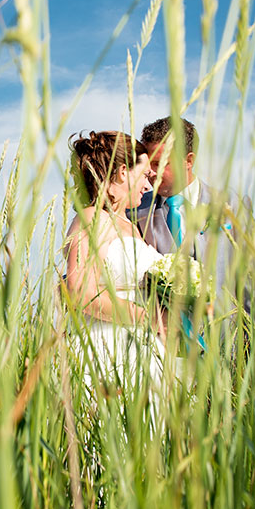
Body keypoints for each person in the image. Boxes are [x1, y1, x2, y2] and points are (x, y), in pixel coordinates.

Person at [62, 131, 172, 389]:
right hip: (109, 350)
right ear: (123, 171)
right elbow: (80, 293)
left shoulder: (131, 226)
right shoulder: (92, 218)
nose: (148, 186)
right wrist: (150, 318)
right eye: (145, 175)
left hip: (144, 351)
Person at [134, 116, 255, 332]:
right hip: (162, 345)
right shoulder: (134, 210)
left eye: (159, 163)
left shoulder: (232, 206)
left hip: (225, 340)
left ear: (188, 160)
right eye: (148, 163)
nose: (151, 172)